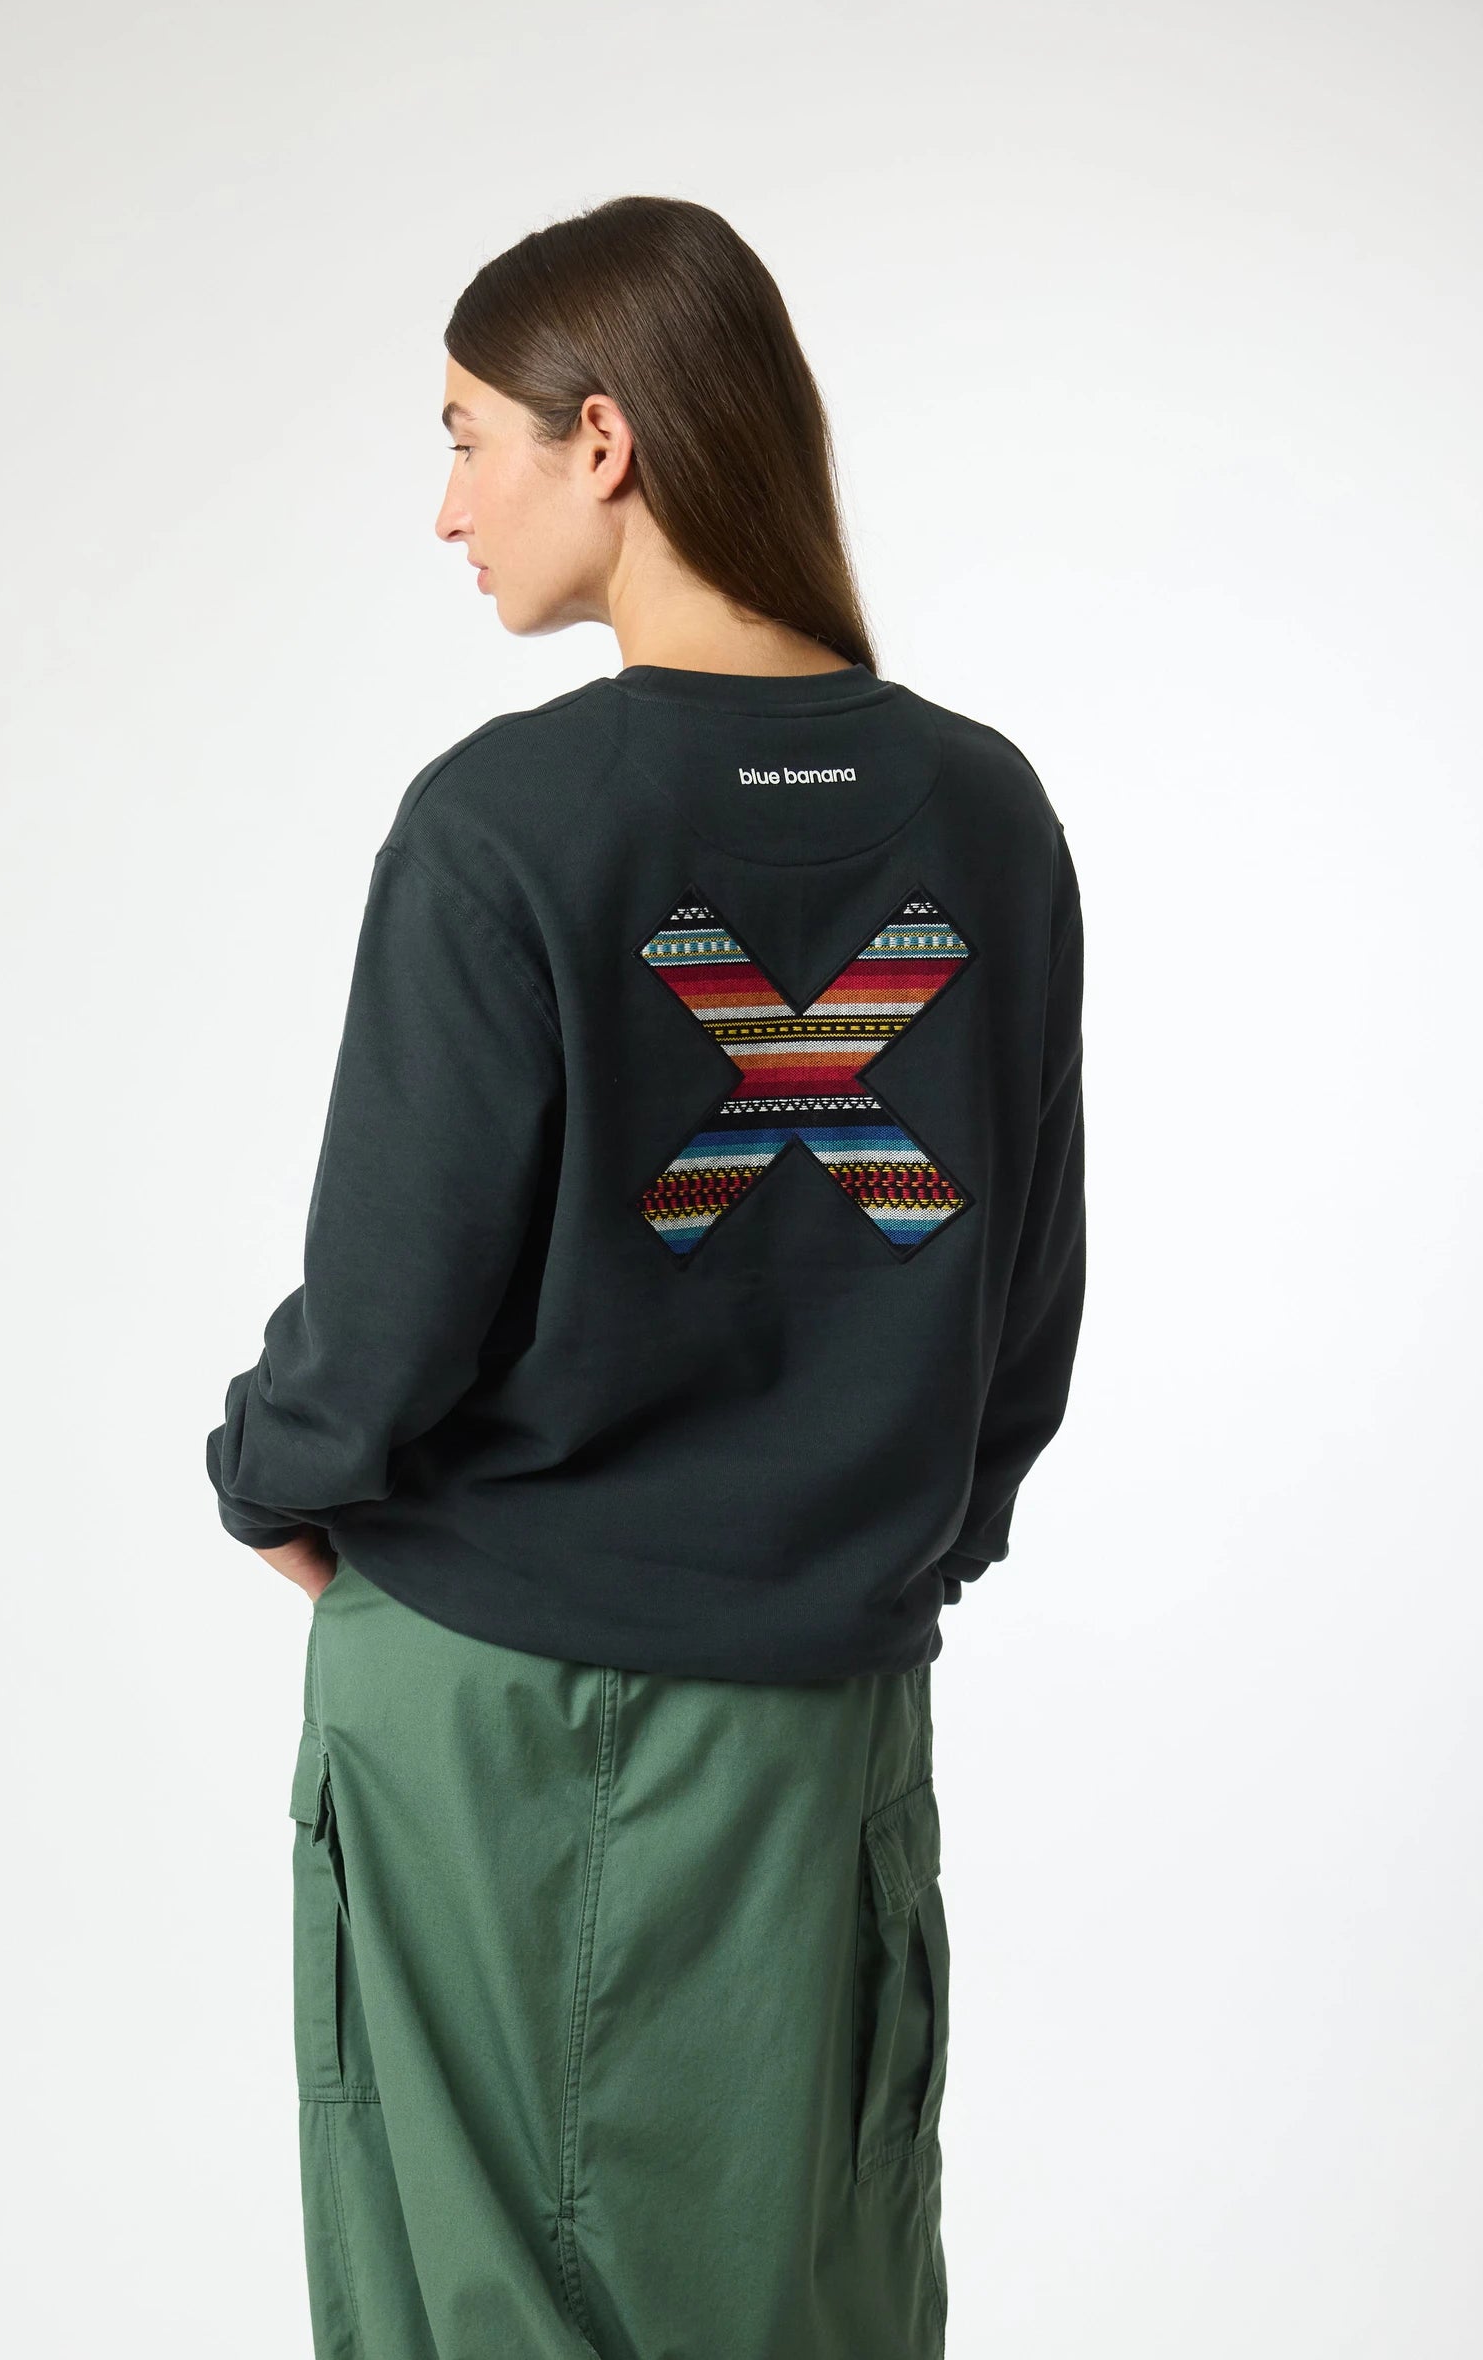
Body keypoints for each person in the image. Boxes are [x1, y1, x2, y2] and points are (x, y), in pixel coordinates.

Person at [206, 193, 1086, 2360]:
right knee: (817, 2294)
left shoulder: (507, 823)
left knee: (483, 2308)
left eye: (463, 438)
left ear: (598, 438)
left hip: (494, 1697)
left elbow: (388, 1307)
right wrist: (879, 1549)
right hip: (826, 1704)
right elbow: (1024, 1303)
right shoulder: (984, 815)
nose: (445, 508)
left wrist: (270, 1473)